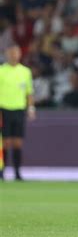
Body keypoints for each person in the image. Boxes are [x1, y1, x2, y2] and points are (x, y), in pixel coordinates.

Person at [0, 44, 36, 180]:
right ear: (6, 54)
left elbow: (29, 93)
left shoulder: (25, 72)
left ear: (20, 54)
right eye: (11, 53)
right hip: (3, 109)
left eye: (16, 52)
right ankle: (2, 172)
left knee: (17, 142)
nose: (13, 55)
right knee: (4, 142)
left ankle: (17, 172)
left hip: (19, 109)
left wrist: (31, 108)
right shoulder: (1, 70)